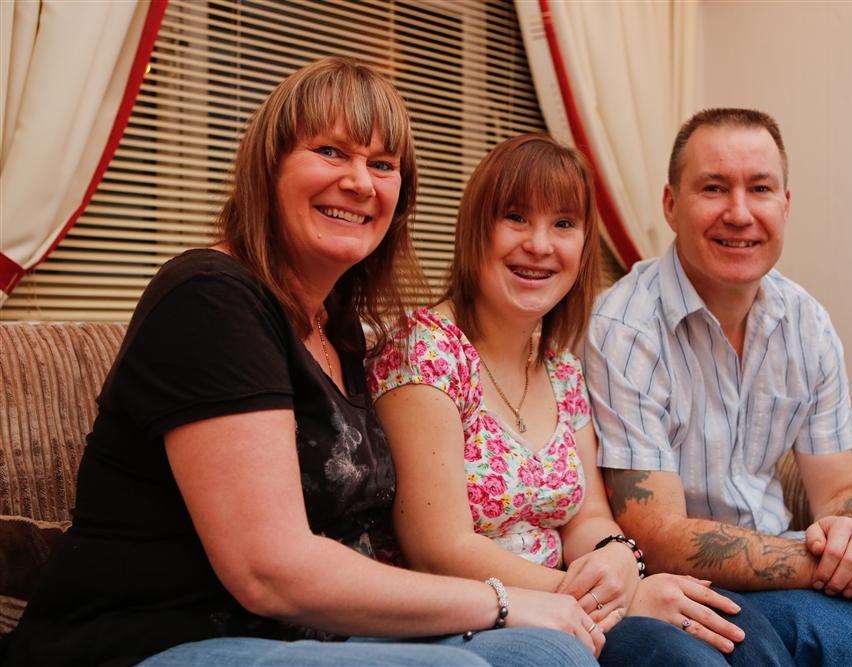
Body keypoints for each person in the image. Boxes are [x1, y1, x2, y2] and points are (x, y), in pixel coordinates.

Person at [1, 57, 602, 667]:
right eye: (331, 152)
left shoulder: (335, 328)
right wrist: (500, 601)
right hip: (154, 639)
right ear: (269, 169)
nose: (361, 182)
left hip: (306, 634)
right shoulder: (209, 299)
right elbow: (271, 572)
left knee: (548, 655)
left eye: (383, 164)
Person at [584, 107, 852, 665]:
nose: (739, 213)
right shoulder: (625, 327)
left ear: (785, 203)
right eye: (713, 188)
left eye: (760, 188)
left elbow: (843, 489)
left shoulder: (804, 321)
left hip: (791, 557)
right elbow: (658, 534)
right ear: (670, 204)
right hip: (678, 587)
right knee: (851, 649)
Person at [368, 133, 793, 666]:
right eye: (516, 218)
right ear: (474, 230)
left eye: (564, 224)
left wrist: (618, 558)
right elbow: (439, 549)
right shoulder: (425, 351)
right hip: (474, 619)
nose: (541, 245)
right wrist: (612, 597)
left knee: (737, 627)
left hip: (574, 603)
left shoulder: (561, 368)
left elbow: (587, 515)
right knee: (682, 655)